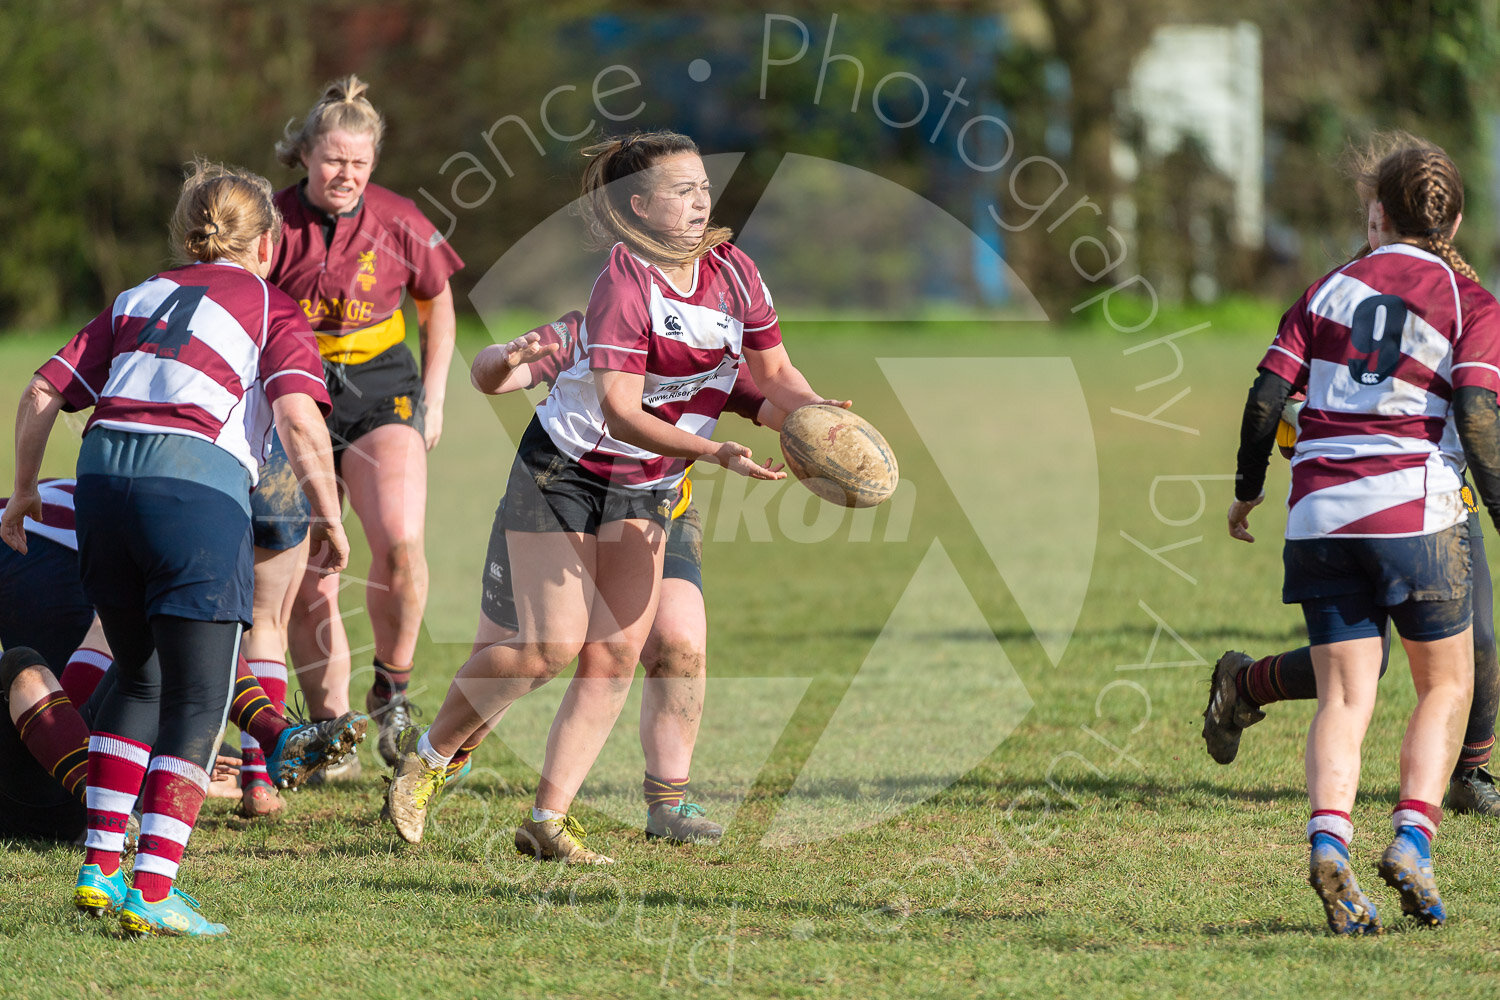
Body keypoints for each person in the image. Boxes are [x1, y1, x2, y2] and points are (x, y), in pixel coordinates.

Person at [383, 130, 843, 862]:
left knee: (616, 657)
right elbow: (624, 413)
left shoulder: (737, 274)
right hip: (565, 473)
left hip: (650, 486)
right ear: (639, 206)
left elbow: (776, 374)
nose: (701, 200)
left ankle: (547, 819)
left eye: (703, 186)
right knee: (545, 648)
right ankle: (429, 759)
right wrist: (714, 450)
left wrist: (822, 417)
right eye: (681, 190)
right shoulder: (623, 285)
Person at [2, 160, 348, 937]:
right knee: (198, 696)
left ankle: (99, 868)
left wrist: (24, 490)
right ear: (268, 243)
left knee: (140, 671)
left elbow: (40, 393)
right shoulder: (272, 304)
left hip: (100, 481)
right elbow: (297, 421)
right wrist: (327, 514)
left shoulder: (138, 296)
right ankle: (153, 891)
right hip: (192, 492)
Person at [1226, 134, 1500, 933]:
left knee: (1347, 695)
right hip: (1415, 514)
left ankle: (1330, 843)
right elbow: (1479, 418)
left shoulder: (1326, 289)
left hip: (1318, 516)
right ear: (1452, 221)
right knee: (1445, 686)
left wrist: (1246, 491)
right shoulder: (1468, 300)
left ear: (1377, 213)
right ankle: (1413, 839)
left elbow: (1264, 401)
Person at [423, 312, 784, 844]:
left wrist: (819, 428)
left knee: (679, 643)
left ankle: (667, 804)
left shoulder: (712, 346)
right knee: (517, 652)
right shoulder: (592, 329)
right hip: (559, 494)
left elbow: (770, 402)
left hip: (656, 506)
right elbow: (492, 378)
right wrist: (504, 358)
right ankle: (436, 763)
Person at [268, 75, 464, 768]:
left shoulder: (399, 217)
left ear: (373, 162)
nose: (345, 174)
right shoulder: (269, 223)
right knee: (314, 571)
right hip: (295, 395)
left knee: (401, 545)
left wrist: (434, 395)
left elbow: (436, 299)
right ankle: (332, 732)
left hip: (383, 389)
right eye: (332, 160)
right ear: (306, 155)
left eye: (358, 162)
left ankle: (394, 689)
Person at [0, 483, 365, 843]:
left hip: (70, 789)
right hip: (50, 786)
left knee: (152, 638)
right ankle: (270, 740)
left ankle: (262, 745)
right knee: (152, 626)